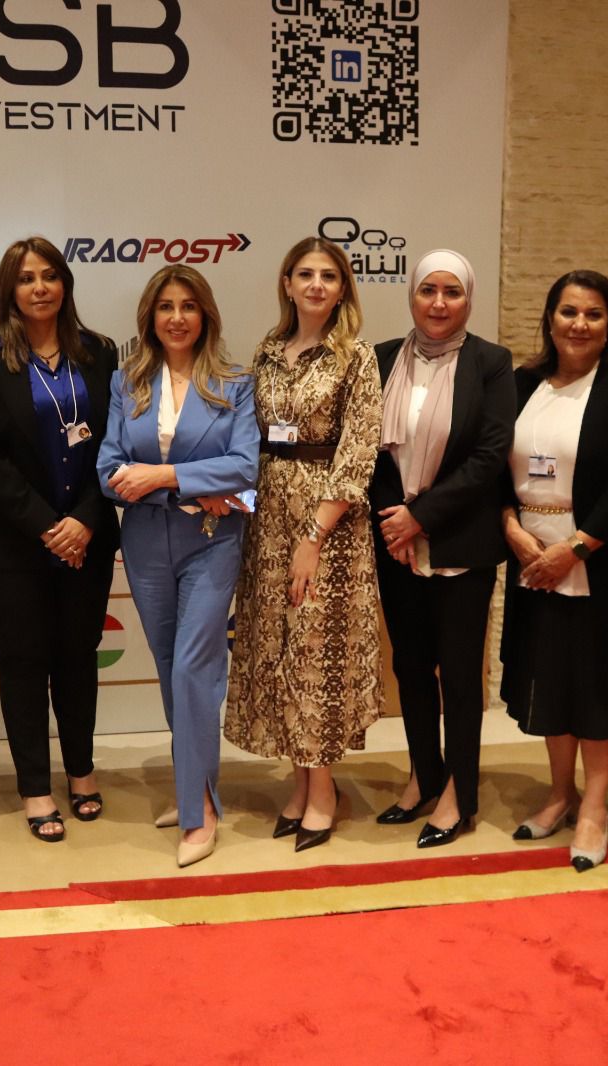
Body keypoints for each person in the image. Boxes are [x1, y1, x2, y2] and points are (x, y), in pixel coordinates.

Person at [224, 237, 384, 853]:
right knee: (278, 651)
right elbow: (251, 438)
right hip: (268, 520)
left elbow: (358, 452)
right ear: (287, 284)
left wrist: (314, 536)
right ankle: (301, 783)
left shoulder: (356, 357)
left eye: (330, 276)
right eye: (306, 274)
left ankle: (323, 792)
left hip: (329, 528)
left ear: (343, 289)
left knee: (318, 658)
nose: (317, 285)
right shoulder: (266, 352)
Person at [0, 237, 118, 843]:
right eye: (26, 278)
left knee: (78, 658)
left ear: (65, 284)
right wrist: (48, 526)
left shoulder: (99, 352)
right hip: (14, 542)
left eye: (50, 275)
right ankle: (34, 787)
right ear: (9, 290)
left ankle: (81, 771)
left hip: (87, 536)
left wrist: (85, 520)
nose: (40, 287)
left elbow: (116, 444)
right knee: (23, 663)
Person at [97, 265, 257, 868]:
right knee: (171, 671)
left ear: (205, 315)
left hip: (212, 542)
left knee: (194, 668)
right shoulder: (126, 383)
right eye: (166, 306)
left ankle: (200, 814)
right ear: (150, 317)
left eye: (188, 306)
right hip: (144, 543)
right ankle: (195, 789)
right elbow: (109, 470)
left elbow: (245, 466)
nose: (177, 317)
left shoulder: (235, 384)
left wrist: (163, 476)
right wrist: (186, 486)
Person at [500, 271, 608, 871]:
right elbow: (494, 463)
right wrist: (510, 528)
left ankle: (594, 806)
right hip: (531, 560)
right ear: (550, 319)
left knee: (597, 686)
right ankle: (560, 793)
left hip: (601, 564)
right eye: (569, 312)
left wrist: (576, 548)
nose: (580, 324)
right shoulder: (522, 383)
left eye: (594, 314)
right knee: (550, 681)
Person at [371, 249, 515, 849]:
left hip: (460, 540)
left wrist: (421, 517)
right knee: (409, 666)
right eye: (427, 290)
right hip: (395, 541)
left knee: (458, 674)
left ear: (468, 299)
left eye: (452, 292)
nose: (438, 303)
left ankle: (459, 790)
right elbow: (368, 450)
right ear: (411, 294)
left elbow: (489, 455)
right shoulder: (381, 358)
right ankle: (423, 776)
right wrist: (395, 522)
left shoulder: (491, 362)